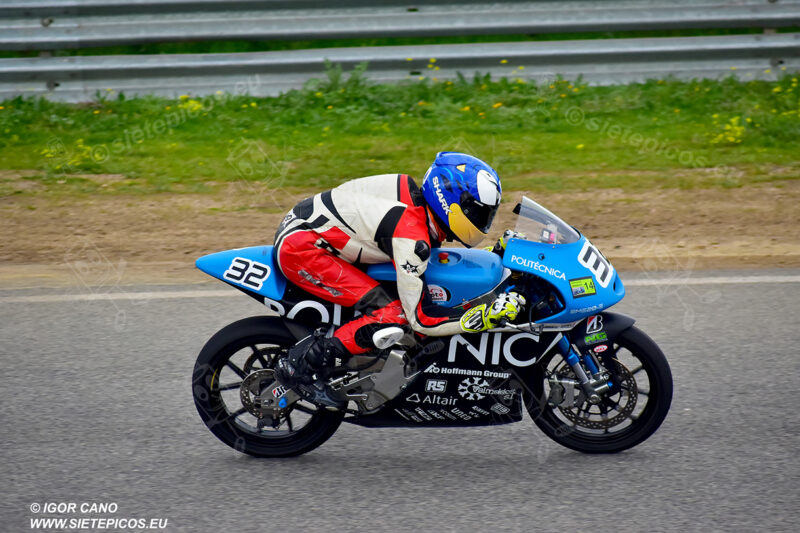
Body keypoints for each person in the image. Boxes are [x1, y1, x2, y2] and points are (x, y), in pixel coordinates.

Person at [272, 152, 525, 406]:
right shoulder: (411, 236)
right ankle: (303, 365)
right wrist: (484, 316)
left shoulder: (416, 203)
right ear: (452, 204)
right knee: (393, 314)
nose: (482, 222)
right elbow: (422, 320)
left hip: (316, 233)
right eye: (478, 213)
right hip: (304, 250)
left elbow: (436, 261)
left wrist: (492, 258)